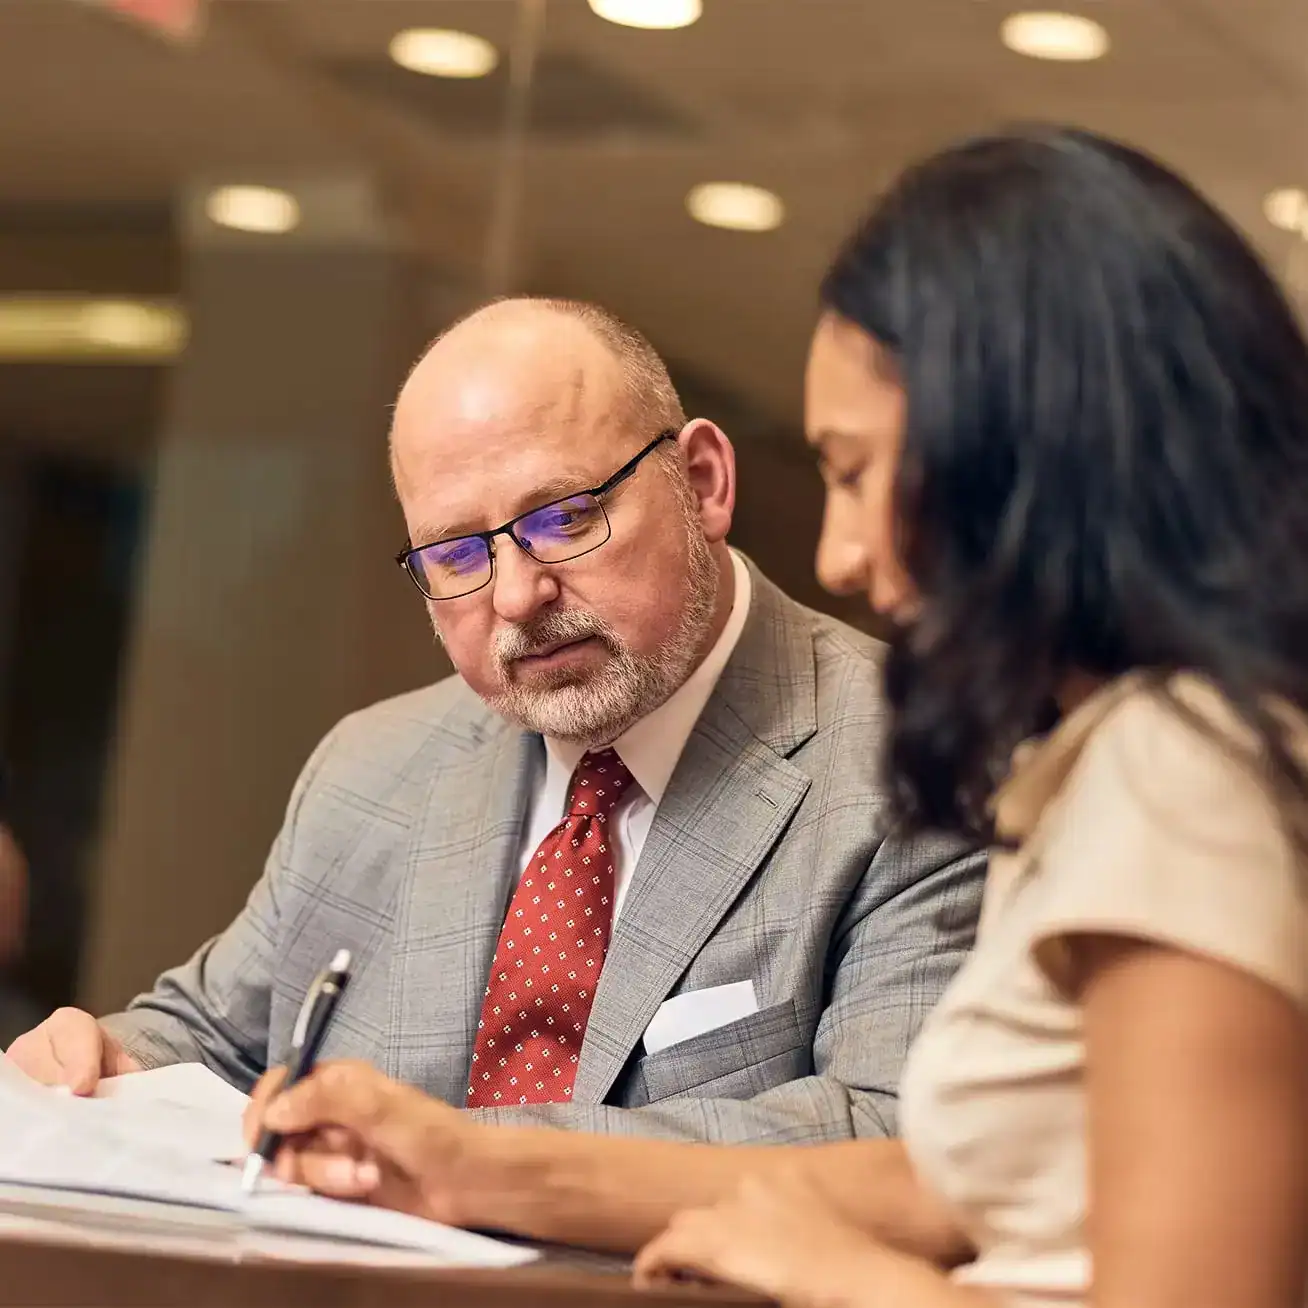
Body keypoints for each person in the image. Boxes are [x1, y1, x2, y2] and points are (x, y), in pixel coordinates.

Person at [239, 127, 1308, 1308]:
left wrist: (844, 1281)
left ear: (1020, 456)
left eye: (853, 474)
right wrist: (459, 1161)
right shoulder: (1135, 754)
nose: (841, 555)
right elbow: (945, 1188)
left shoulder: (1178, 771)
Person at [5, 297, 984, 1147]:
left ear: (703, 483)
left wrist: (460, 1161)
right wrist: (108, 1056)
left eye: (564, 519)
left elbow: (891, 1130)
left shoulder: (920, 762)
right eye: (455, 553)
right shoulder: (372, 769)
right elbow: (214, 1036)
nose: (516, 597)